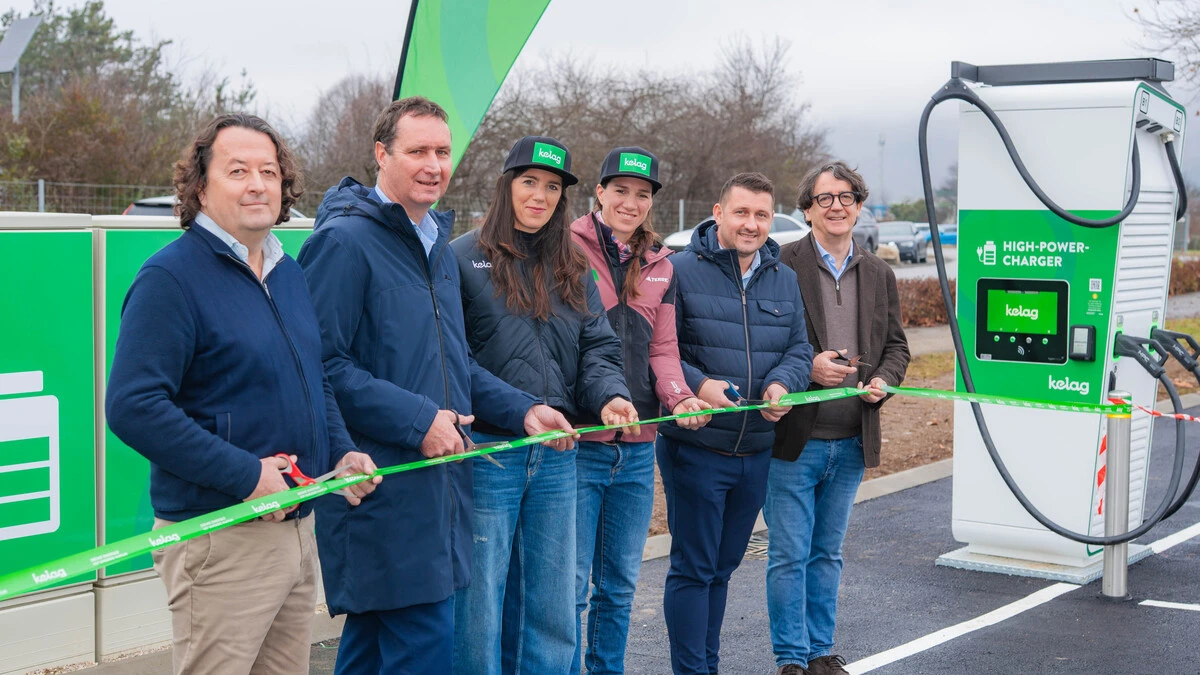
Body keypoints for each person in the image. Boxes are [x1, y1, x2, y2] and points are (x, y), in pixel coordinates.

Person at [297, 99, 575, 674]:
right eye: (417, 150)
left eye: (443, 152)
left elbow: (456, 365)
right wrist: (419, 420)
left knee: (370, 651)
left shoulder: (436, 251)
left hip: (438, 489)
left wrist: (524, 411)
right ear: (381, 154)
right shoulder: (343, 243)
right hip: (378, 488)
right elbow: (319, 366)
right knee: (422, 648)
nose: (433, 165)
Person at [105, 113, 380, 675]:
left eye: (269, 172)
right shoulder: (171, 278)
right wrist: (247, 476)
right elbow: (133, 407)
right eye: (237, 171)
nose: (257, 184)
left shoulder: (288, 273)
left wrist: (341, 452)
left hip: (296, 527)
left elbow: (314, 377)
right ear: (201, 189)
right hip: (222, 537)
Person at [451, 135, 638, 674]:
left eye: (553, 187)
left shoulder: (572, 263)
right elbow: (454, 362)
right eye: (529, 182)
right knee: (479, 604)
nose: (540, 195)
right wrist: (519, 410)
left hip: (558, 454)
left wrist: (610, 395)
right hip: (489, 451)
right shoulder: (460, 258)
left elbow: (598, 347)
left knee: (552, 606)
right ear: (506, 185)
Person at [657, 172, 814, 675]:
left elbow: (799, 349)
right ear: (718, 213)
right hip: (696, 446)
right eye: (741, 212)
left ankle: (709, 666)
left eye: (761, 215)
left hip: (756, 450)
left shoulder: (783, 277)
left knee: (722, 569)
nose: (751, 224)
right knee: (694, 569)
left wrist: (782, 385)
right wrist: (699, 385)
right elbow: (660, 351)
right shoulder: (677, 270)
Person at [569, 146, 712, 674]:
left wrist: (679, 396)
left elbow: (663, 350)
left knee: (619, 587)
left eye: (642, 194)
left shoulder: (660, 264)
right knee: (570, 587)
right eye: (621, 191)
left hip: (636, 448)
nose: (631, 203)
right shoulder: (566, 248)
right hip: (577, 445)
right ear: (599, 193)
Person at [769, 161, 910, 675]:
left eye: (845, 197)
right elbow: (761, 343)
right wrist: (807, 367)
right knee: (789, 555)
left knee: (826, 553)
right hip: (794, 441)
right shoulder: (780, 264)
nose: (836, 206)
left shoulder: (879, 273)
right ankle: (791, 659)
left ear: (859, 206)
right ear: (807, 209)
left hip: (852, 439)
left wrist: (884, 381)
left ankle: (820, 653)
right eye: (824, 198)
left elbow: (897, 347)